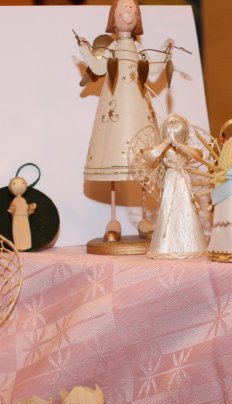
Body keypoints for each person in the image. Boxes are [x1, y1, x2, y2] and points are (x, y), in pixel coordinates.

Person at [77, 0, 172, 241]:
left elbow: (152, 69)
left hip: (139, 109)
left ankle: (144, 218)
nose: (128, 12)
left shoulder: (138, 49)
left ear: (138, 18)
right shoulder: (111, 48)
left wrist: (165, 50)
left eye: (133, 9)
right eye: (124, 8)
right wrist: (85, 49)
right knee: (113, 155)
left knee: (143, 161)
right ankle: (113, 220)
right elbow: (99, 67)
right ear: (114, 17)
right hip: (114, 108)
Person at [141, 114, 208, 259]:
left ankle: (190, 244)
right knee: (169, 207)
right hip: (171, 179)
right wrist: (165, 143)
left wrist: (178, 145)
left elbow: (198, 155)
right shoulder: (164, 149)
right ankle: (166, 244)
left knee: (186, 208)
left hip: (183, 179)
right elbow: (150, 157)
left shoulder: (186, 148)